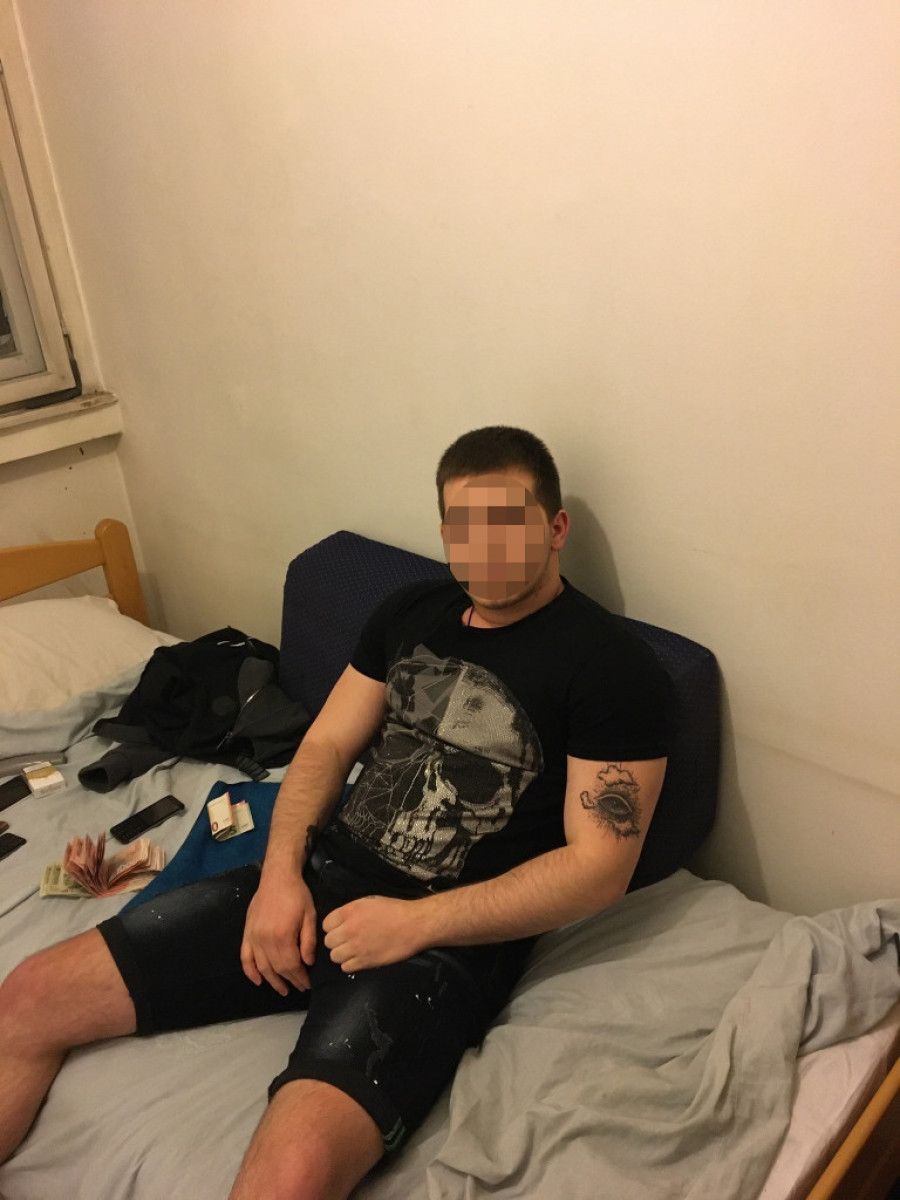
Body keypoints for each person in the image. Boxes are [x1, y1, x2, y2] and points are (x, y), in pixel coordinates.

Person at [0, 426, 672, 1200]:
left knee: (289, 1178)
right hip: (319, 879)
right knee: (28, 996)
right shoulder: (411, 611)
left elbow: (599, 867)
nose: (483, 548)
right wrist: (279, 877)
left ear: (555, 528)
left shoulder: (613, 667)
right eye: (463, 525)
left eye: (506, 522)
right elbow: (323, 747)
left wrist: (416, 923)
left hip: (441, 940)